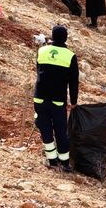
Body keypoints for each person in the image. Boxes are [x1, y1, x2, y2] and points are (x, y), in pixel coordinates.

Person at [33, 25, 79, 172]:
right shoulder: (70, 56)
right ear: (66, 38)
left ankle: (52, 160)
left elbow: (38, 70)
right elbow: (73, 81)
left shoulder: (42, 51)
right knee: (60, 131)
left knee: (45, 129)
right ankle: (64, 163)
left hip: (40, 97)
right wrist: (73, 101)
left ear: (52, 36)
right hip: (58, 100)